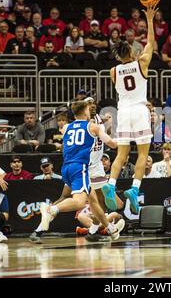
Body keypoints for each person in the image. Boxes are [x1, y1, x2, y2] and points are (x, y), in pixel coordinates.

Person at [33, 100, 121, 243]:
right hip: (81, 167)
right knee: (80, 203)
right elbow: (113, 144)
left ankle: (109, 228)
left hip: (66, 167)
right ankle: (51, 210)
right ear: (85, 111)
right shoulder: (94, 127)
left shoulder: (66, 127)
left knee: (92, 200)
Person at [102, 4, 157, 215]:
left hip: (122, 112)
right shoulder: (142, 63)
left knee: (121, 155)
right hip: (140, 110)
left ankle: (111, 182)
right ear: (133, 52)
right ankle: (134, 189)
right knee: (143, 154)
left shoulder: (113, 71)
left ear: (118, 56)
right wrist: (150, 19)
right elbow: (150, 43)